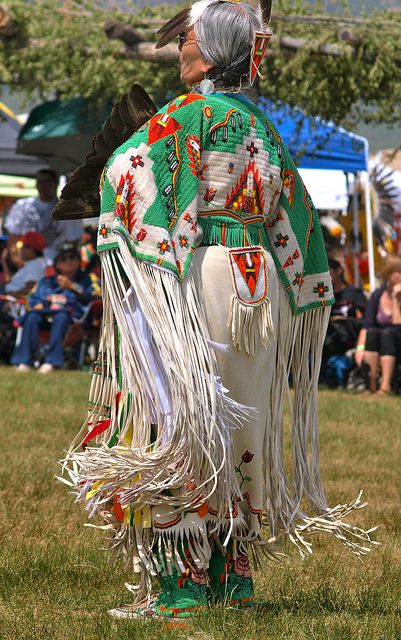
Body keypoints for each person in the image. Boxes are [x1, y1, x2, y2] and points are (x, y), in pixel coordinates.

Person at [62, 0, 375, 621]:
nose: (178, 50)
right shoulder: (261, 127)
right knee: (241, 426)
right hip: (257, 290)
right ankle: (233, 579)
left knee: (181, 420)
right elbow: (299, 216)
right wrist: (305, 289)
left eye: (187, 41)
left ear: (207, 51)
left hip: (199, 279)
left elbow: (131, 175)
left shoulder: (185, 117)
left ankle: (180, 587)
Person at [11, 245, 100, 373]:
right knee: (32, 317)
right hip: (45, 316)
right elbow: (31, 299)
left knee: (61, 316)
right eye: (64, 259)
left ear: (78, 261)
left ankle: (51, 362)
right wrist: (43, 302)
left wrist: (73, 287)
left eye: (72, 257)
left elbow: (96, 296)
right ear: (57, 264)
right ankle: (24, 361)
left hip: (74, 320)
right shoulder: (46, 281)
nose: (68, 261)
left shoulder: (88, 278)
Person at [3, 169, 82, 266]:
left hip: (56, 262)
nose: (43, 185)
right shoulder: (22, 206)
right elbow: (13, 235)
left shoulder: (66, 208)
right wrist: (16, 258)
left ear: (55, 184)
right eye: (40, 182)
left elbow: (73, 239)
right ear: (36, 184)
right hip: (28, 261)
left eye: (47, 181)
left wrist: (66, 262)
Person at [355, 255, 401, 395]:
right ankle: (372, 384)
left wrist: (395, 298)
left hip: (397, 338)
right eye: (397, 271)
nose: (400, 275)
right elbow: (367, 325)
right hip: (379, 339)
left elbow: (397, 323)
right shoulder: (377, 295)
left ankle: (385, 386)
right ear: (388, 275)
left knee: (387, 334)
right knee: (373, 333)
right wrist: (360, 348)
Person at [322, 259, 367, 386]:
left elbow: (365, 319)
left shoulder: (354, 294)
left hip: (348, 339)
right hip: (326, 339)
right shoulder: (321, 294)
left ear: (339, 271)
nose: (326, 274)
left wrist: (343, 321)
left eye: (329, 270)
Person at [1, 231, 46, 297]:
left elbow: (28, 290)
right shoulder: (32, 262)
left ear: (31, 249)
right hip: (6, 290)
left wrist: (7, 296)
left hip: (9, 296)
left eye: (23, 246)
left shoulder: (38, 264)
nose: (20, 249)